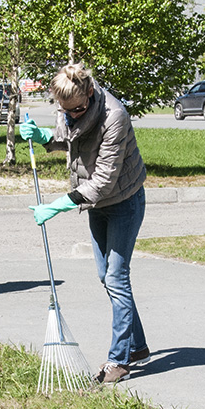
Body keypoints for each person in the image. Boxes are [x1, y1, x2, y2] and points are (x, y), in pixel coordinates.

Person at [18, 63, 148, 384]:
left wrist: (60, 204)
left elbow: (104, 180)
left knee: (117, 279)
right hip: (96, 204)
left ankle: (118, 361)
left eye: (76, 109)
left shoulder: (114, 116)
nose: (71, 115)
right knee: (106, 277)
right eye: (65, 111)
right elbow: (70, 138)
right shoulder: (72, 109)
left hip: (123, 202)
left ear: (90, 92)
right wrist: (45, 136)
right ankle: (138, 346)